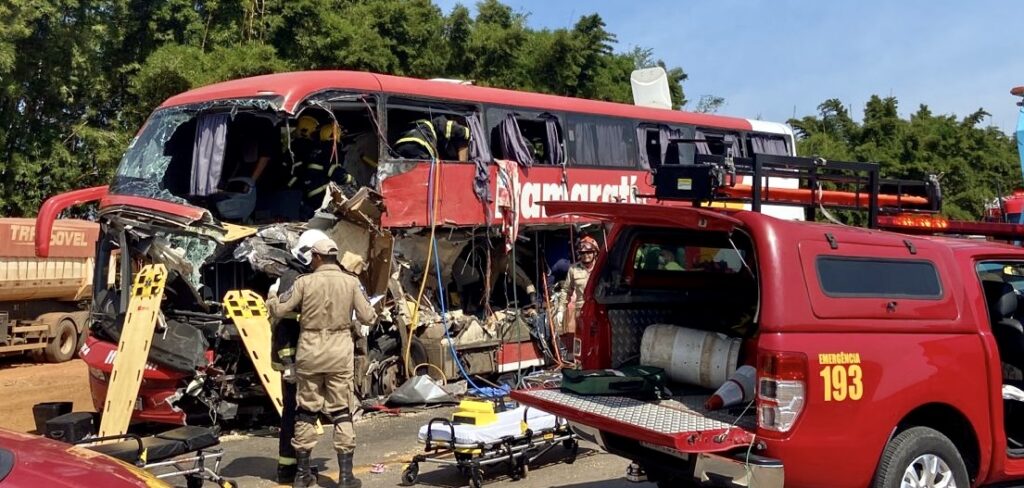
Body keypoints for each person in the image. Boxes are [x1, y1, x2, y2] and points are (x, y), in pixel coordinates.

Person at [267, 235, 377, 488]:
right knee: (341, 411)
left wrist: (273, 295)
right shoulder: (351, 282)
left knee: (306, 411)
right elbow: (368, 316)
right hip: (340, 355)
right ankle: (346, 477)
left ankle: (302, 475)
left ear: (316, 257)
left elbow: (279, 311)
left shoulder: (304, 281)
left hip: (310, 354)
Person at [556, 236, 600, 336]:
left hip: (599, 310)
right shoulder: (573, 269)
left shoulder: (601, 268)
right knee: (582, 340)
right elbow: (566, 290)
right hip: (581, 312)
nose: (586, 255)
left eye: (589, 252)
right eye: (582, 253)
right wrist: (561, 310)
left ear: (595, 253)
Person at [393, 116, 471, 161]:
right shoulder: (441, 122)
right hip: (419, 145)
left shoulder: (422, 124)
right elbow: (458, 130)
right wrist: (469, 134)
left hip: (400, 147)